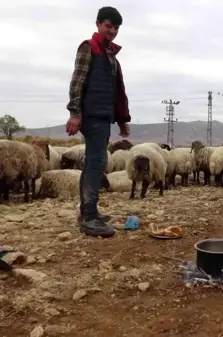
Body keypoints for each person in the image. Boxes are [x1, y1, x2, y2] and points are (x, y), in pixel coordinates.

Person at [65, 6, 131, 238]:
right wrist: (75, 112)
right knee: (96, 162)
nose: (112, 31)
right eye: (108, 26)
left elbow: (118, 91)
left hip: (104, 116)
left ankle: (88, 211)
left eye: (115, 27)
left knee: (96, 161)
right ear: (98, 24)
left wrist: (122, 120)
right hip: (91, 114)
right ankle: (89, 216)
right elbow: (78, 80)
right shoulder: (89, 48)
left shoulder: (112, 57)